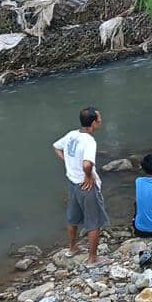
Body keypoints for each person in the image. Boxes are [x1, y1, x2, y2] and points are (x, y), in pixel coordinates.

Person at [52, 107, 108, 265]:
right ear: (93, 123)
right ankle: (92, 259)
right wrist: (88, 176)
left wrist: (69, 162)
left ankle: (72, 248)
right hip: (86, 186)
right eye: (99, 118)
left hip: (72, 182)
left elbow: (56, 147)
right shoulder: (89, 141)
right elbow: (87, 164)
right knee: (94, 222)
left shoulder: (72, 134)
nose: (100, 120)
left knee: (73, 218)